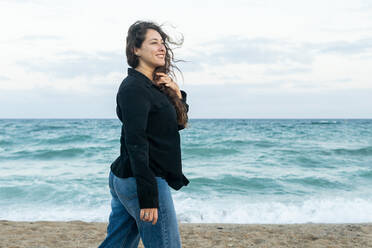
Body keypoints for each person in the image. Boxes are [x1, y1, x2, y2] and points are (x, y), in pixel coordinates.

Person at [98, 20, 190, 248]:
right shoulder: (133, 88)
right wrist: (148, 197)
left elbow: (176, 125)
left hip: (133, 177)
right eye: (154, 42)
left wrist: (177, 94)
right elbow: (135, 141)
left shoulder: (155, 87)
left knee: (118, 244)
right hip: (142, 179)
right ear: (135, 49)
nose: (162, 48)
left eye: (163, 43)